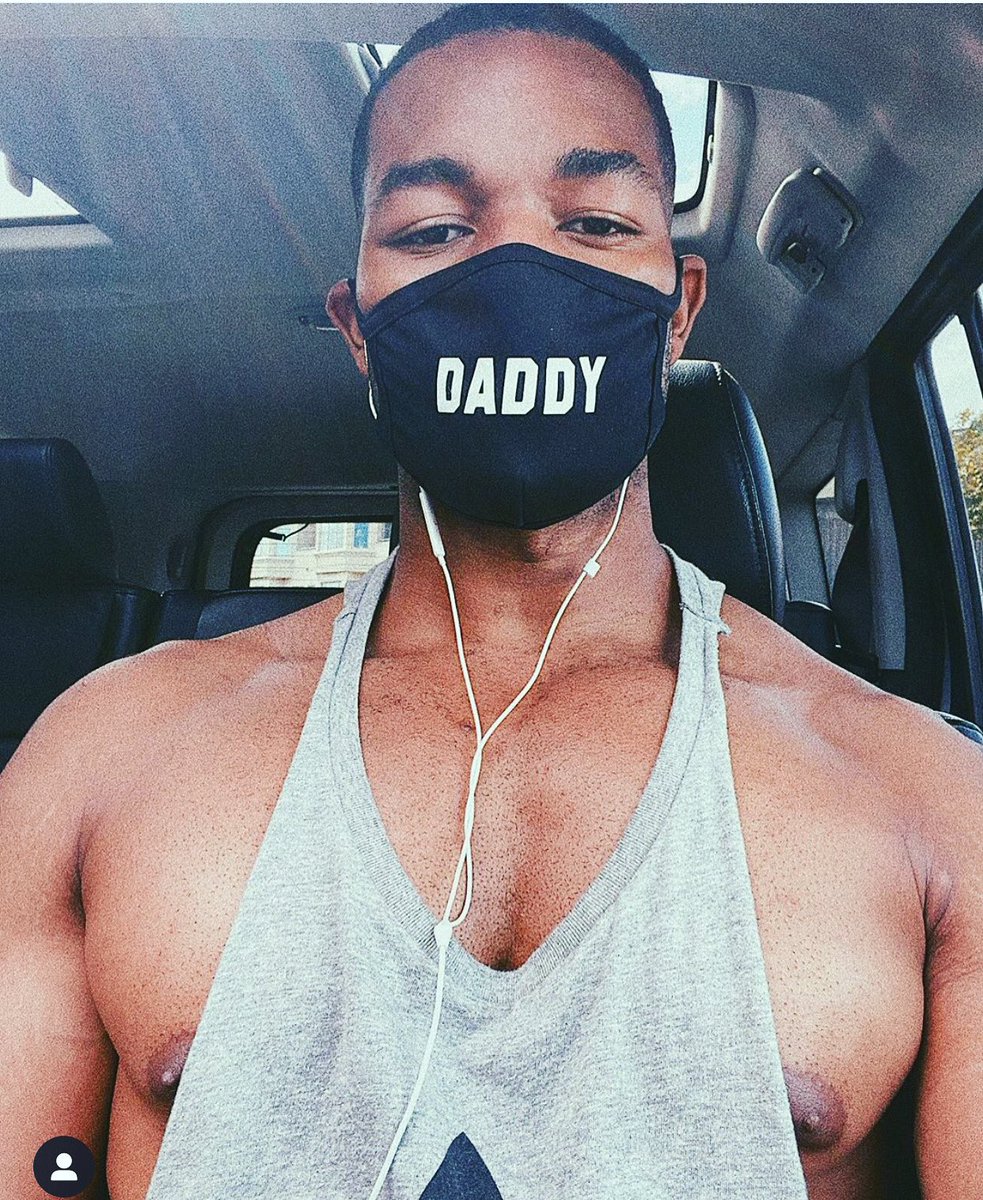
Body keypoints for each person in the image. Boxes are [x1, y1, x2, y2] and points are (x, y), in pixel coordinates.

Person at [1, 5, 981, 1199]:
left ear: (675, 308)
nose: (516, 275)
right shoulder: (99, 758)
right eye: (435, 228)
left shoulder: (925, 801)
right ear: (359, 328)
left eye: (595, 222)